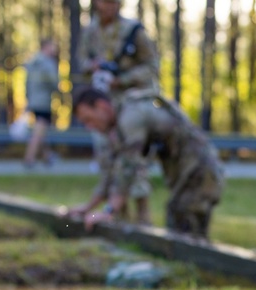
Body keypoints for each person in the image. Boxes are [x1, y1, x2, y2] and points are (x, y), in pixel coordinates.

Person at [71, 87, 225, 239]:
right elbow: (113, 172)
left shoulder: (131, 116)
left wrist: (108, 211)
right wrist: (88, 209)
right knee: (180, 221)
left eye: (88, 120)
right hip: (187, 168)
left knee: (185, 221)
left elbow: (128, 167)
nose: (89, 127)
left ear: (101, 106)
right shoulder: (120, 124)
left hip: (199, 168)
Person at [71, 0, 160, 226]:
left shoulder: (133, 31)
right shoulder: (90, 31)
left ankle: (142, 222)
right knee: (108, 161)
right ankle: (116, 218)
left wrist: (122, 78)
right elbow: (82, 61)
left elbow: (151, 66)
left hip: (129, 105)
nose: (108, 6)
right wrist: (93, 67)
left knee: (132, 163)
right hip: (102, 106)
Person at [22, 38, 60, 169]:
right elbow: (53, 81)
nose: (54, 50)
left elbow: (26, 82)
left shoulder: (32, 62)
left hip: (33, 99)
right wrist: (58, 90)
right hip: (43, 100)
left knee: (41, 129)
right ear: (46, 47)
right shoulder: (48, 63)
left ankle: (47, 156)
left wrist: (28, 98)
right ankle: (29, 158)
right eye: (52, 46)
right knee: (39, 130)